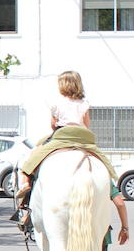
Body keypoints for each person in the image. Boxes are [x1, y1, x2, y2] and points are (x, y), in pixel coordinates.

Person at [15, 71, 114, 215]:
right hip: (83, 138)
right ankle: (111, 183)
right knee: (102, 160)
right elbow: (87, 124)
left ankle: (26, 181)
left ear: (62, 85)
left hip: (62, 136)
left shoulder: (57, 103)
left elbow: (53, 125)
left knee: (35, 154)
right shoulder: (84, 104)